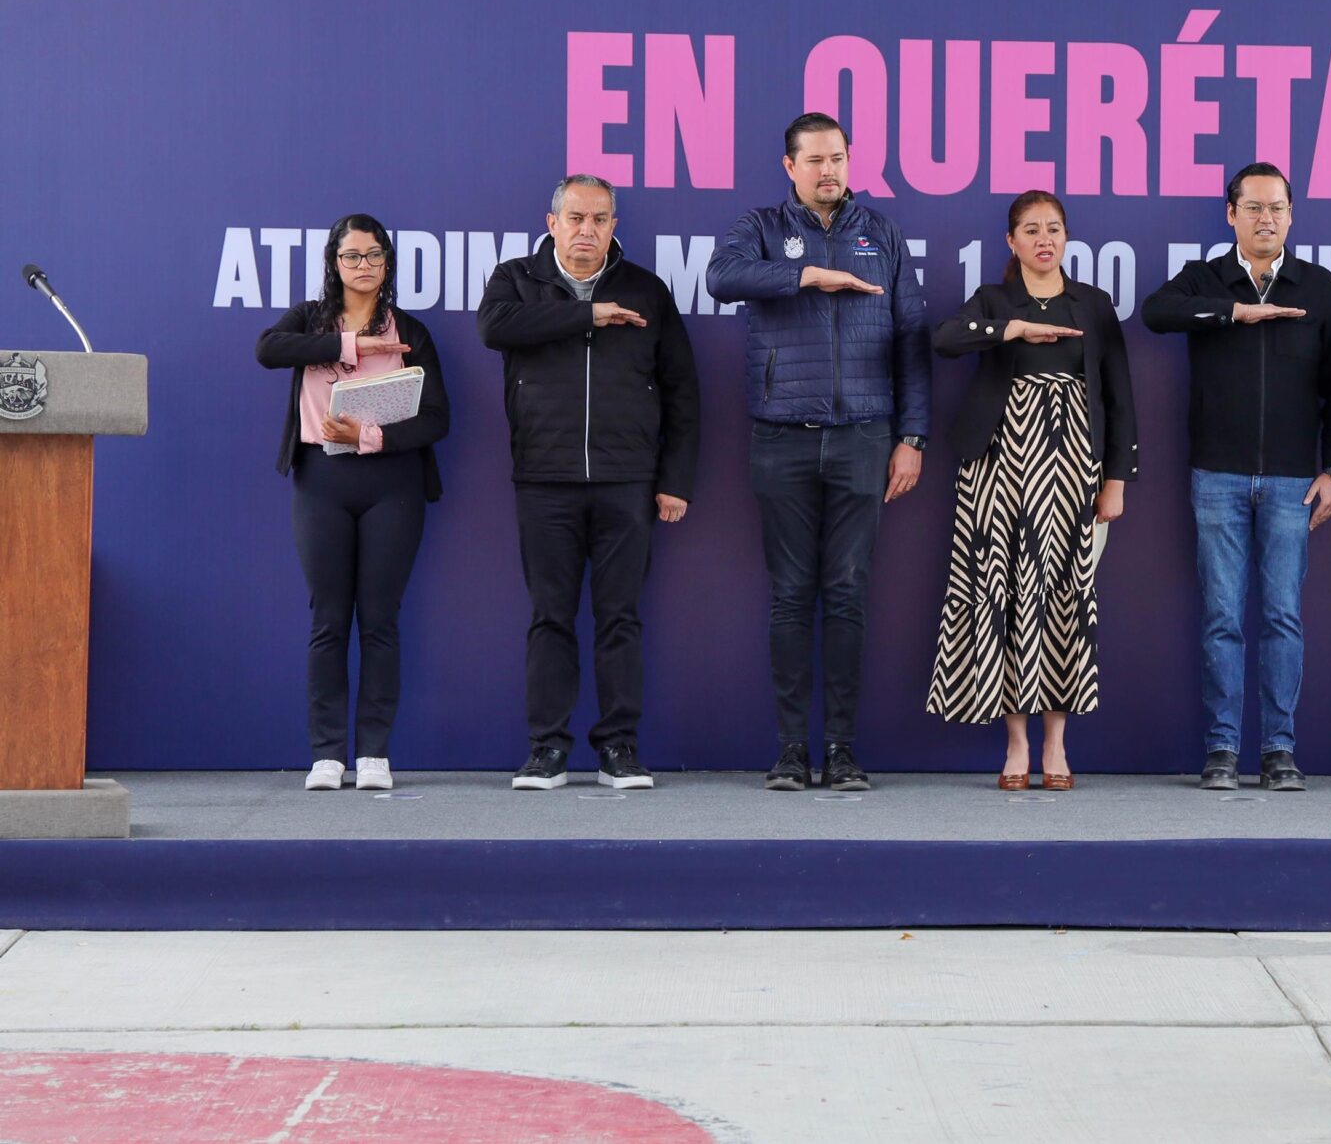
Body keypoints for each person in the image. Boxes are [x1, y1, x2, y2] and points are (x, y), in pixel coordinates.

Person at [708, 112, 930, 793]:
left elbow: (913, 340)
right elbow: (722, 277)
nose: (829, 171)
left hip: (865, 436)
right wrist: (807, 277)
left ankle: (840, 750)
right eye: (815, 161)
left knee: (847, 595)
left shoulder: (881, 232)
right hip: (781, 437)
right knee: (787, 596)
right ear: (790, 167)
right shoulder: (762, 228)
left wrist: (912, 437)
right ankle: (787, 752)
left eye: (838, 158)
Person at [478, 175, 700, 791]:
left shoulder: (647, 290)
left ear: (614, 225)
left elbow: (683, 391)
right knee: (550, 616)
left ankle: (619, 748)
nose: (587, 231)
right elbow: (495, 329)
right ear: (552, 223)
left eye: (600, 219)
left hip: (626, 481)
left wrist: (674, 479)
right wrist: (588, 315)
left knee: (619, 618)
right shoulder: (516, 280)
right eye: (575, 218)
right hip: (544, 479)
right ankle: (546, 749)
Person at [1141, 162, 1331, 791]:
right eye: (1254, 208)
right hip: (1218, 475)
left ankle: (1280, 749)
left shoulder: (1315, 285)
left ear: (1292, 215)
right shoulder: (1207, 279)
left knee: (1284, 615)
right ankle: (1221, 749)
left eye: (1278, 208)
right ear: (1230, 214)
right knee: (1220, 617)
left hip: (1294, 480)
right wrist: (1233, 312)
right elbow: (1157, 313)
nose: (1267, 219)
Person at [926, 190, 1136, 791]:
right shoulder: (993, 300)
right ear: (1011, 242)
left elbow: (1120, 398)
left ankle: (1056, 743)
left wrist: (1115, 481)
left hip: (1073, 467)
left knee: (1064, 596)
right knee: (1005, 594)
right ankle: (1016, 743)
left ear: (1067, 237)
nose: (1045, 239)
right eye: (1031, 230)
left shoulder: (1093, 305)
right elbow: (944, 339)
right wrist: (1010, 327)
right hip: (999, 465)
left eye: (1054, 229)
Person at [255, 214, 450, 792]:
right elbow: (268, 350)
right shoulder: (309, 322)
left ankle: (373, 753)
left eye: (374, 256)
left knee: (381, 622)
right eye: (352, 256)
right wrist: (350, 344)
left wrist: (368, 436)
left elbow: (437, 418)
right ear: (333, 264)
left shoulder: (412, 331)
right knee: (328, 621)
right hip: (321, 481)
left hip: (392, 482)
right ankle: (326, 753)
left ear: (387, 263)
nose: (363, 267)